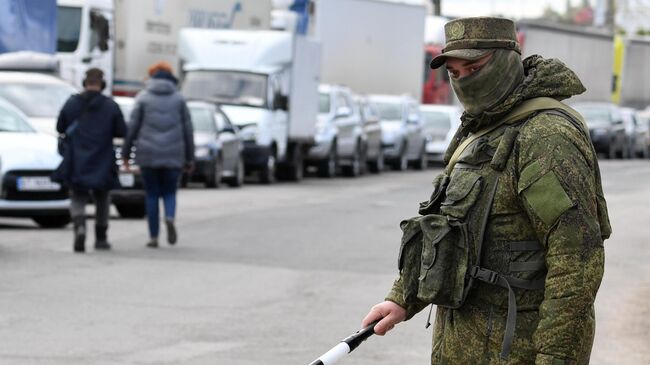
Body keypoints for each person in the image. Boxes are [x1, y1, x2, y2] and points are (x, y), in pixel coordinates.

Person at [362, 17, 611, 364]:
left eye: (474, 67)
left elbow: (576, 262)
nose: (464, 81)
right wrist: (403, 298)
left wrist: (556, 358)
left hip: (517, 352)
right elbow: (446, 232)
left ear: (508, 60)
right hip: (460, 347)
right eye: (455, 73)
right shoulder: (480, 130)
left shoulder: (544, 137)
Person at [122, 61, 194, 248]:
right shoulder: (179, 99)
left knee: (152, 195)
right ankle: (169, 217)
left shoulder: (143, 98)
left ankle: (153, 237)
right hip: (173, 155)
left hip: (148, 155)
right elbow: (188, 131)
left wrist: (126, 154)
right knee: (170, 192)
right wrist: (189, 158)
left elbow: (132, 128)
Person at [56, 68, 127, 253]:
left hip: (77, 158)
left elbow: (60, 126)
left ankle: (79, 226)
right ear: (102, 84)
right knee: (102, 198)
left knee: (78, 196)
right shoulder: (110, 106)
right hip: (102, 158)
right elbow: (122, 131)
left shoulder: (72, 103)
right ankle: (101, 238)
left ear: (84, 82)